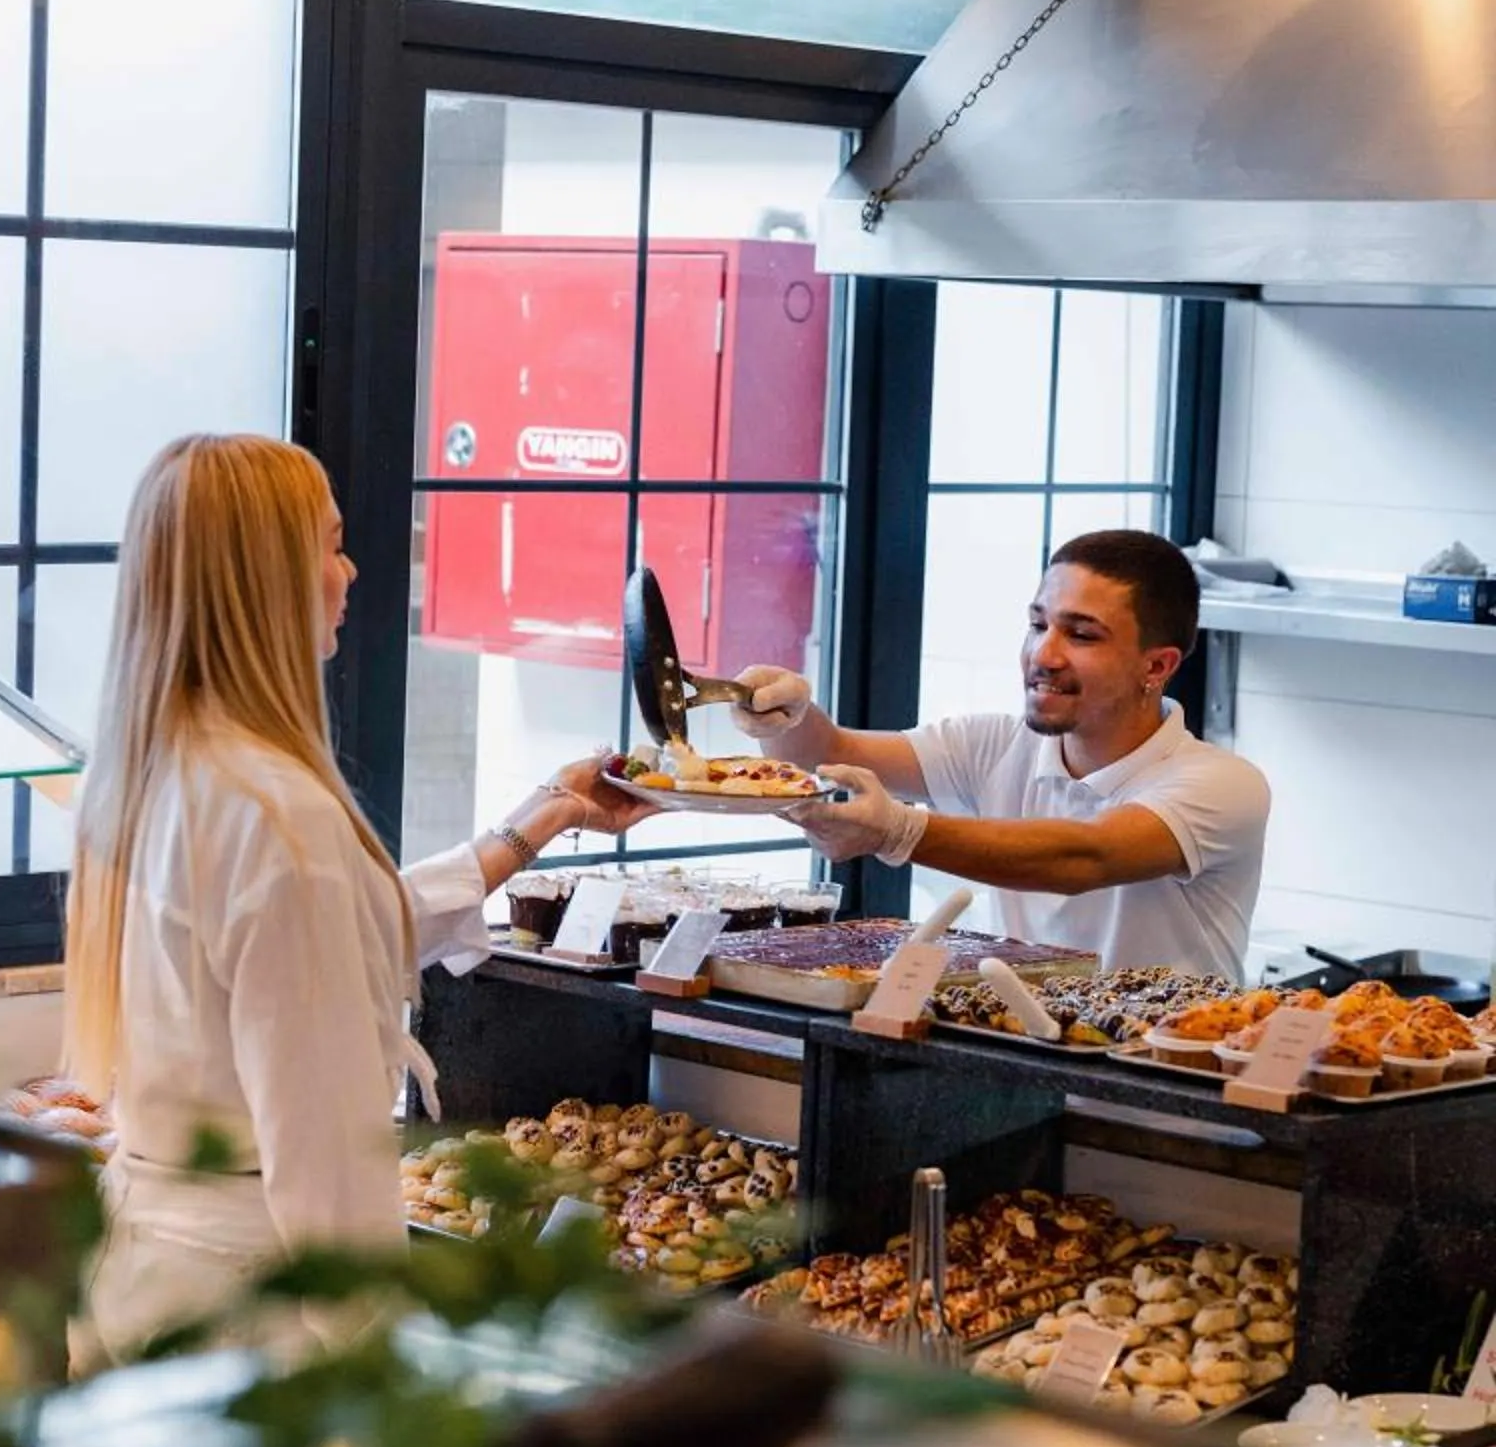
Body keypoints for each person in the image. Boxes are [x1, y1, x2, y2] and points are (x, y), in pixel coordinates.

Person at [64, 430, 651, 1367]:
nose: (351, 572)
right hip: (253, 1302)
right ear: (265, 582)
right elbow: (326, 1156)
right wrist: (374, 1361)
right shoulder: (279, 814)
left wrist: (535, 823)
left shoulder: (153, 767)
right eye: (329, 545)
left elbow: (329, 934)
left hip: (143, 1263)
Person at [739, 529, 1269, 979]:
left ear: (1156, 668)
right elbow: (829, 752)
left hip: (1153, 1093)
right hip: (1016, 1068)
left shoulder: (1222, 783)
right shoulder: (993, 744)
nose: (1044, 654)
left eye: (1081, 635)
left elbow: (1084, 857)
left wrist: (899, 831)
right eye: (1039, 625)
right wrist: (785, 715)